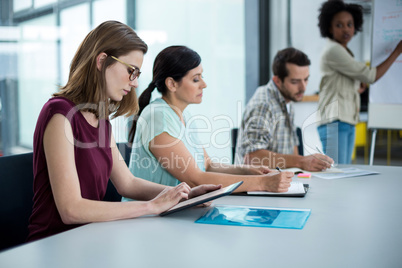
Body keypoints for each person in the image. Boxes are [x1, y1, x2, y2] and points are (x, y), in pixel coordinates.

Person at [27, 21, 220, 242]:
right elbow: (71, 209)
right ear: (101, 61)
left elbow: (127, 183)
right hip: (53, 244)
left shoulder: (101, 119)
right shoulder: (60, 114)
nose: (136, 83)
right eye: (131, 71)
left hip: (89, 237)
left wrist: (183, 196)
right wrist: (151, 206)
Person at [124, 45, 293, 198]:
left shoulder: (184, 115)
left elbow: (208, 165)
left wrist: (251, 172)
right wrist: (264, 183)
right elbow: (195, 179)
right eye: (196, 79)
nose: (204, 84)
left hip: (175, 211)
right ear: (172, 84)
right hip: (150, 218)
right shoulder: (157, 116)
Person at [317, 0, 402, 164]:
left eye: (349, 24)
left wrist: (356, 85)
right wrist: (397, 51)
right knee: (337, 174)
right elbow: (371, 76)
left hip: (345, 120)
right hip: (335, 122)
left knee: (343, 172)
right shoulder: (334, 50)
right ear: (329, 28)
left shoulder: (344, 50)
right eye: (339, 25)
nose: (346, 29)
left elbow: (345, 80)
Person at [234, 47, 334, 171]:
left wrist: (301, 171)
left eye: (306, 79)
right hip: (260, 186)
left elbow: (293, 148)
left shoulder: (287, 99)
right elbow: (252, 157)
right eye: (295, 81)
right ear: (277, 81)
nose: (303, 88)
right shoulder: (263, 105)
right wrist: (302, 162)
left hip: (283, 181)